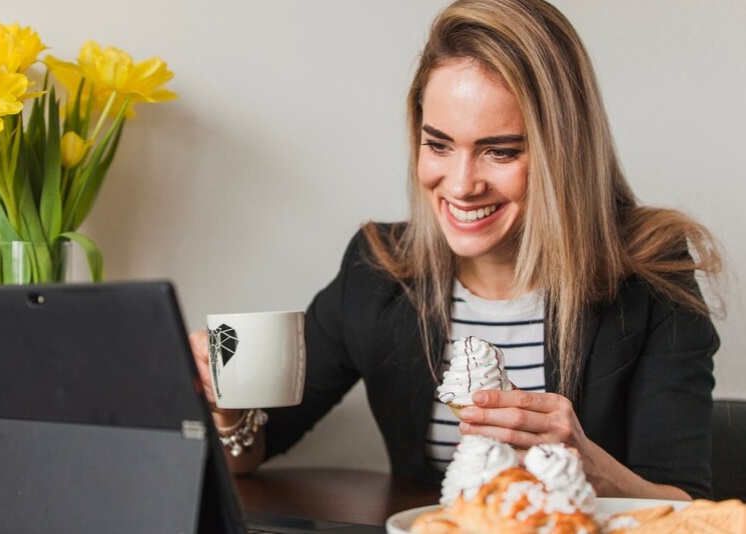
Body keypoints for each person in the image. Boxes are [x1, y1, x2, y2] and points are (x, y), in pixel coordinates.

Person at [190, 0, 723, 500]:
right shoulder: (379, 269)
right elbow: (256, 451)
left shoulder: (654, 274)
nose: (462, 184)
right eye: (439, 144)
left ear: (564, 152)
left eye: (500, 151)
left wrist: (591, 468)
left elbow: (689, 508)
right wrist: (227, 406)